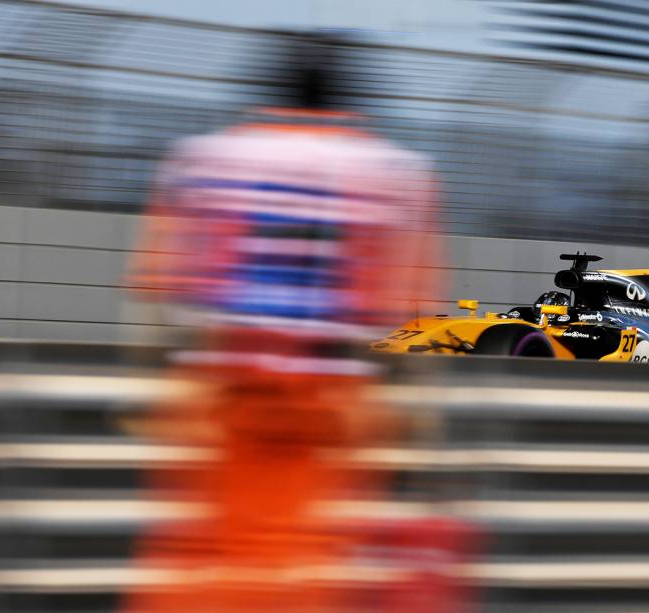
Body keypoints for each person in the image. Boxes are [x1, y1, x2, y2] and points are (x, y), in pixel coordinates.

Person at [122, 33, 442, 613]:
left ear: (269, 86)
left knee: (206, 546)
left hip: (224, 384)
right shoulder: (399, 175)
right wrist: (404, 408)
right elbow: (404, 316)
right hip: (331, 396)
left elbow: (162, 291)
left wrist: (154, 387)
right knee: (310, 552)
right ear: (352, 95)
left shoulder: (205, 159)